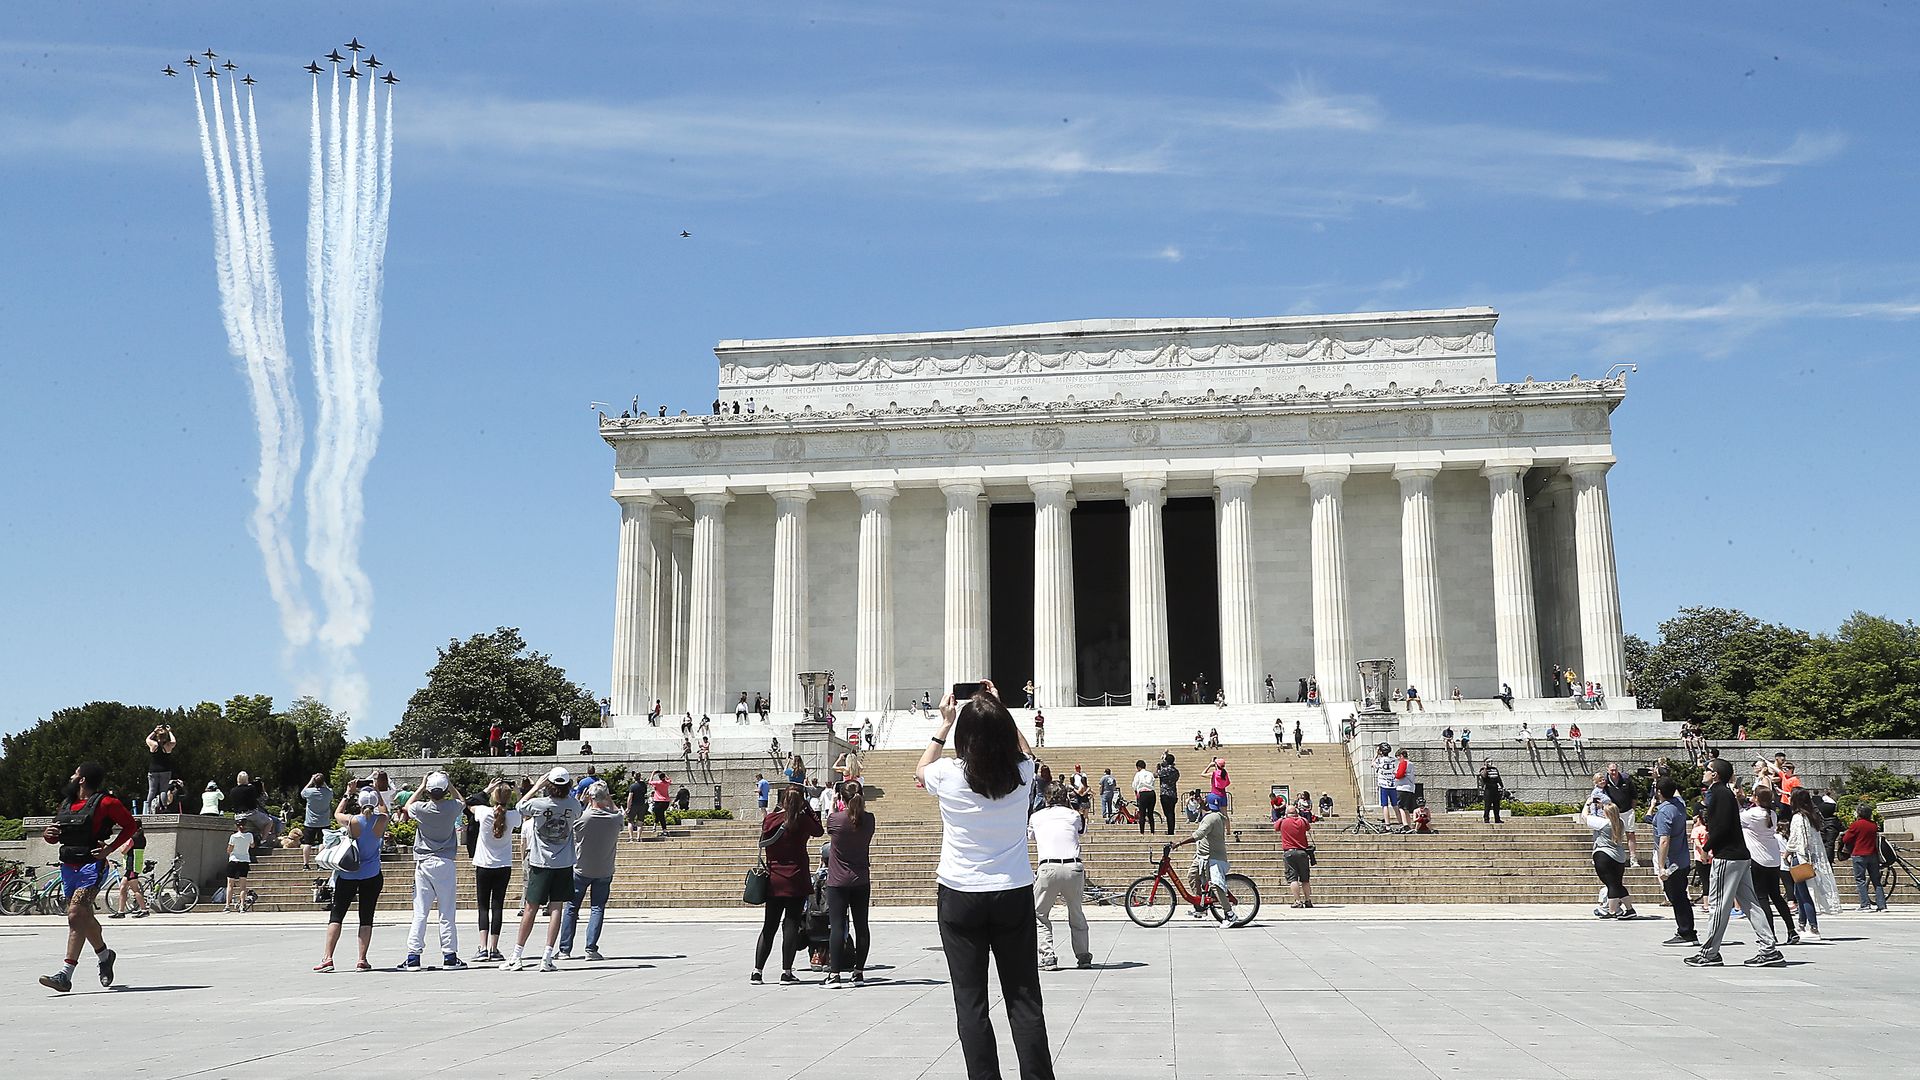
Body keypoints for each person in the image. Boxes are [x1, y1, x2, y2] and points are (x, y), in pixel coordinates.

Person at [916, 683, 1054, 1079]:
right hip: (1011, 892)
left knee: (971, 1002)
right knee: (1024, 998)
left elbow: (920, 770)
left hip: (960, 895)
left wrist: (944, 724)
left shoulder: (947, 774)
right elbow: (1029, 753)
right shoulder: (1023, 774)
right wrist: (999, 709)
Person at [38, 763, 140, 992]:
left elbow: (130, 825)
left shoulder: (106, 803)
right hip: (68, 866)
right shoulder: (67, 803)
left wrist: (109, 849)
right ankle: (105, 955)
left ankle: (65, 974)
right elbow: (57, 834)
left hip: (92, 866)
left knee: (75, 915)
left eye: (75, 773)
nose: (72, 776)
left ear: (82, 779)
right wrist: (49, 835)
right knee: (82, 916)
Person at [1687, 759, 1782, 968]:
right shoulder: (1725, 794)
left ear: (1716, 775)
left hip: (1727, 857)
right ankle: (1769, 948)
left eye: (1708, 770)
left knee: (1718, 905)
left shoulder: (1718, 794)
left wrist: (1706, 847)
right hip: (1740, 855)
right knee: (1751, 904)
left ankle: (1709, 952)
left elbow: (1719, 827)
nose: (1704, 772)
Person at [504, 768, 585, 971]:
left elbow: (520, 806)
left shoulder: (540, 804)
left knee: (530, 908)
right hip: (564, 862)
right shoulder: (573, 804)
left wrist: (536, 786)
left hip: (541, 862)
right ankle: (547, 957)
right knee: (556, 908)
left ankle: (517, 955)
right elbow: (578, 809)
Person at [752, 785, 823, 984]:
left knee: (769, 926)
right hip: (796, 878)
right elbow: (819, 830)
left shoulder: (770, 819)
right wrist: (807, 807)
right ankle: (786, 972)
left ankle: (757, 971)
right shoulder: (802, 821)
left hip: (774, 879)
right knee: (790, 925)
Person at [398, 770, 467, 970]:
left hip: (424, 861)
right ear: (445, 790)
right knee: (446, 912)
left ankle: (413, 956)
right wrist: (451, 784)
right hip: (445, 860)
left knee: (420, 911)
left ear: (428, 791)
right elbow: (461, 801)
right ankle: (450, 956)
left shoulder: (420, 809)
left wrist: (421, 785)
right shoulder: (452, 807)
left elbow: (407, 805)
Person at [317, 785, 387, 972]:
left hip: (348, 873)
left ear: (359, 802)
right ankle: (362, 959)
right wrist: (377, 793)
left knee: (337, 915)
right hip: (372, 874)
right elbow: (383, 809)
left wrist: (348, 793)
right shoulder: (382, 820)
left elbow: (337, 813)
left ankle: (328, 958)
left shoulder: (352, 821)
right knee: (366, 917)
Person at [1029, 786, 1092, 970]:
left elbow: (1030, 836)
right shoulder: (1073, 815)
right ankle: (1083, 955)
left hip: (1048, 867)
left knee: (1040, 914)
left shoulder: (1036, 816)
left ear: (1046, 798)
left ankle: (1048, 955)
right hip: (1073, 867)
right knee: (1076, 912)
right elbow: (1082, 830)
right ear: (1065, 796)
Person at [560, 782, 623, 962]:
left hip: (580, 868)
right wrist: (608, 798)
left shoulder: (581, 818)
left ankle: (564, 949)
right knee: (597, 908)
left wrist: (584, 799)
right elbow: (618, 812)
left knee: (571, 908)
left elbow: (573, 813)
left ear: (590, 796)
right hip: (604, 869)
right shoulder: (615, 818)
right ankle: (591, 948)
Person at [823, 780, 875, 986]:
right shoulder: (869, 819)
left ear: (841, 797)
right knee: (862, 926)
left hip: (837, 880)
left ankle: (834, 974)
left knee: (836, 926)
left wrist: (834, 807)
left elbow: (830, 829)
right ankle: (859, 971)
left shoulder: (835, 819)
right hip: (861, 879)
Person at [470, 781, 521, 963]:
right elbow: (526, 808)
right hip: (503, 865)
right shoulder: (513, 816)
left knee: (483, 906)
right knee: (497, 906)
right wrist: (518, 792)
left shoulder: (484, 812)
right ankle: (494, 947)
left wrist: (486, 790)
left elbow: (469, 801)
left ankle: (482, 947)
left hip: (484, 864)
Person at [1742, 785, 1799, 945]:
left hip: (1757, 858)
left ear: (1757, 798)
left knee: (1762, 898)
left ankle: (1770, 934)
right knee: (1776, 896)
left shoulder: (1752, 814)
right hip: (1773, 859)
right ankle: (1791, 930)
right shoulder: (1772, 814)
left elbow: (1735, 815)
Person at [1172, 793, 1237, 923]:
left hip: (1212, 857)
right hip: (1202, 856)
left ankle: (1229, 914)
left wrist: (1179, 843)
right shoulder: (1215, 816)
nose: (1201, 801)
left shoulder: (1211, 818)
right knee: (1192, 875)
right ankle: (1200, 906)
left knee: (1215, 884)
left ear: (1208, 804)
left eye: (1204, 800)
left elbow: (1199, 834)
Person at [1651, 778, 1695, 946]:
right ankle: (1687, 930)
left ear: (1659, 793)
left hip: (1671, 862)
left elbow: (1664, 840)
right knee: (1681, 896)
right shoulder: (1679, 804)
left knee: (1676, 898)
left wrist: (1661, 867)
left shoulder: (1663, 812)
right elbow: (1675, 792)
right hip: (1682, 859)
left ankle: (1686, 932)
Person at [1586, 791, 1632, 918]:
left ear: (1607, 813)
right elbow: (1612, 810)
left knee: (1611, 884)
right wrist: (1604, 805)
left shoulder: (1603, 823)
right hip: (1619, 856)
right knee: (1617, 883)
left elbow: (1585, 817)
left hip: (1604, 855)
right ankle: (1629, 909)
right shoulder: (1620, 822)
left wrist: (1588, 804)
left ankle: (1611, 911)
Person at [1838, 804, 1887, 911]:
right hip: (1872, 854)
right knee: (1876, 880)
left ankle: (1865, 904)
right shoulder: (1873, 825)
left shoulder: (1856, 825)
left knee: (1860, 880)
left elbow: (1846, 839)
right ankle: (1882, 905)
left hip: (1859, 854)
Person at [1280, 803, 1313, 909]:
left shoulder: (1283, 821)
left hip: (1289, 853)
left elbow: (1275, 827)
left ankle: (1298, 901)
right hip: (1302, 852)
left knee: (1293, 878)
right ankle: (1308, 900)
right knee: (1305, 879)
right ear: (1296, 812)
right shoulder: (1302, 821)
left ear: (1286, 813)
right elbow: (1308, 827)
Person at [223, 816, 254, 913]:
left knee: (230, 884)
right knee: (243, 886)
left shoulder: (233, 836)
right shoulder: (249, 835)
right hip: (244, 860)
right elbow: (252, 845)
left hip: (234, 860)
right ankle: (242, 906)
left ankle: (227, 905)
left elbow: (229, 849)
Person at [144, 724, 177, 812]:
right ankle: (164, 807)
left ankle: (148, 808)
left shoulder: (153, 744)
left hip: (153, 770)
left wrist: (154, 731)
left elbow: (147, 739)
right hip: (165, 770)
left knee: (152, 790)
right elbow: (174, 741)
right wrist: (170, 731)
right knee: (163, 790)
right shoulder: (168, 746)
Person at [1155, 752, 1181, 837]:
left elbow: (1156, 775)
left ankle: (1170, 831)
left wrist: (1158, 768)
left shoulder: (1164, 770)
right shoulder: (1176, 771)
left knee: (1167, 813)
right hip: (1173, 794)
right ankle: (1171, 830)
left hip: (1165, 794)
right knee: (1171, 812)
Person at [1372, 745, 1397, 826]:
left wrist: (1376, 754)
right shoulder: (1393, 760)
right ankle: (1401, 822)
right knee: (1395, 805)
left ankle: (1387, 823)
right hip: (1393, 784)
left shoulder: (1379, 760)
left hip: (1383, 785)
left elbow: (1372, 763)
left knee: (1385, 805)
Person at [1393, 749, 1416, 831]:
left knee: (1401, 807)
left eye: (1398, 757)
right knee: (1406, 809)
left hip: (1402, 788)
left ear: (1402, 756)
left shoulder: (1403, 763)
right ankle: (1409, 824)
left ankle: (1405, 824)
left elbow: (1400, 775)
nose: (1398, 760)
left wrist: (1394, 774)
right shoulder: (1411, 764)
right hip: (1410, 788)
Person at [1131, 759, 1157, 834]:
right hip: (1151, 793)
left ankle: (1142, 832)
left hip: (1143, 794)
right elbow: (1153, 782)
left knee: (1142, 814)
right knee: (1150, 813)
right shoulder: (1150, 774)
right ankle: (1152, 831)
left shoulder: (1138, 774)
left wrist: (1136, 790)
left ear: (1138, 767)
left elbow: (1134, 785)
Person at [649, 771, 673, 836]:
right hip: (666, 802)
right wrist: (665, 774)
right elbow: (670, 780)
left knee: (661, 815)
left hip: (658, 801)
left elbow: (650, 781)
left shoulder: (657, 783)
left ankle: (664, 830)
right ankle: (655, 826)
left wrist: (653, 774)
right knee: (659, 814)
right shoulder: (667, 783)